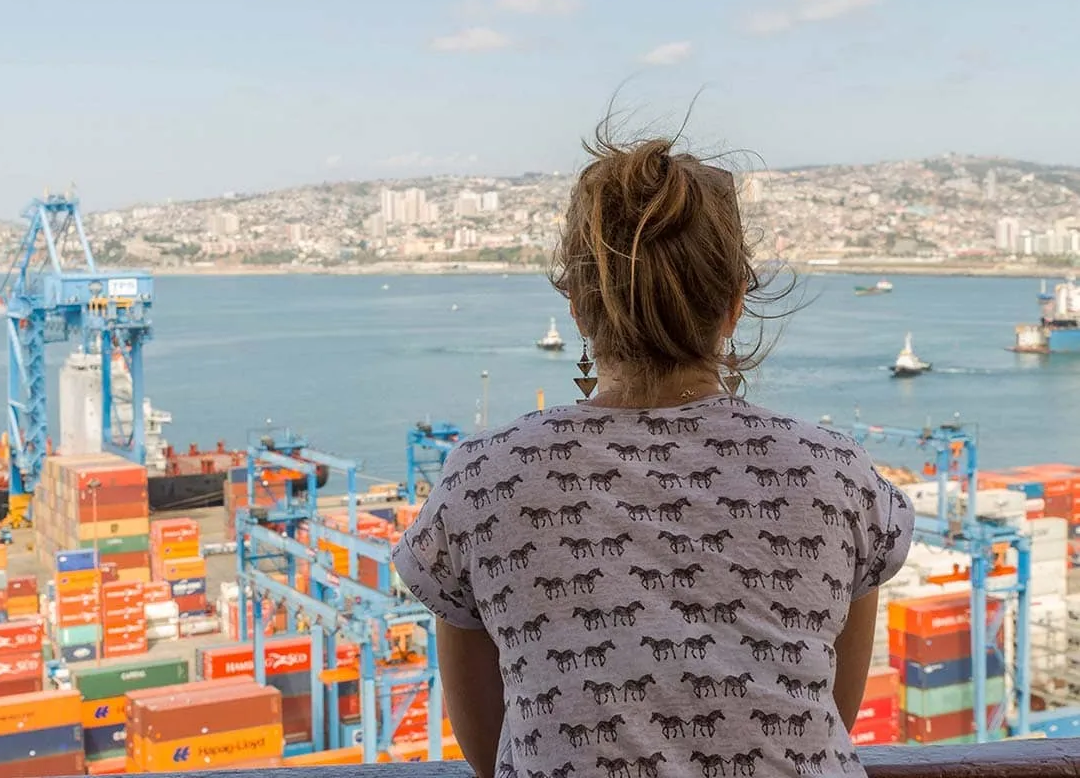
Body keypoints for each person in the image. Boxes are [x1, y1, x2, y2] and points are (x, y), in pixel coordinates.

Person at [391, 127, 915, 778]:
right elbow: (826, 715)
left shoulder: (483, 476)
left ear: (580, 310)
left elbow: (491, 749)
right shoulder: (837, 474)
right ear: (733, 307)